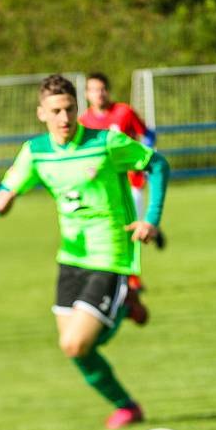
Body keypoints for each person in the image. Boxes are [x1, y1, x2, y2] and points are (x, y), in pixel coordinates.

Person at [0, 74, 170, 429]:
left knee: (76, 343)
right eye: (56, 111)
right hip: (70, 259)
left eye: (70, 109)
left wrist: (151, 218)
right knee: (74, 348)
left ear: (79, 108)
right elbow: (6, 189)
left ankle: (123, 299)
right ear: (41, 113)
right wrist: (3, 200)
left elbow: (158, 164)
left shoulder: (106, 142)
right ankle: (127, 406)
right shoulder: (36, 152)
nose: (64, 119)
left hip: (111, 254)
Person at [79, 73, 165, 319]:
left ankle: (132, 280)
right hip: (102, 188)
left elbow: (148, 134)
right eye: (94, 90)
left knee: (130, 230)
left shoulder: (124, 112)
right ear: (87, 94)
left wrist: (143, 155)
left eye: (102, 89)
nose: (99, 94)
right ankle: (122, 278)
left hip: (131, 182)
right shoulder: (83, 121)